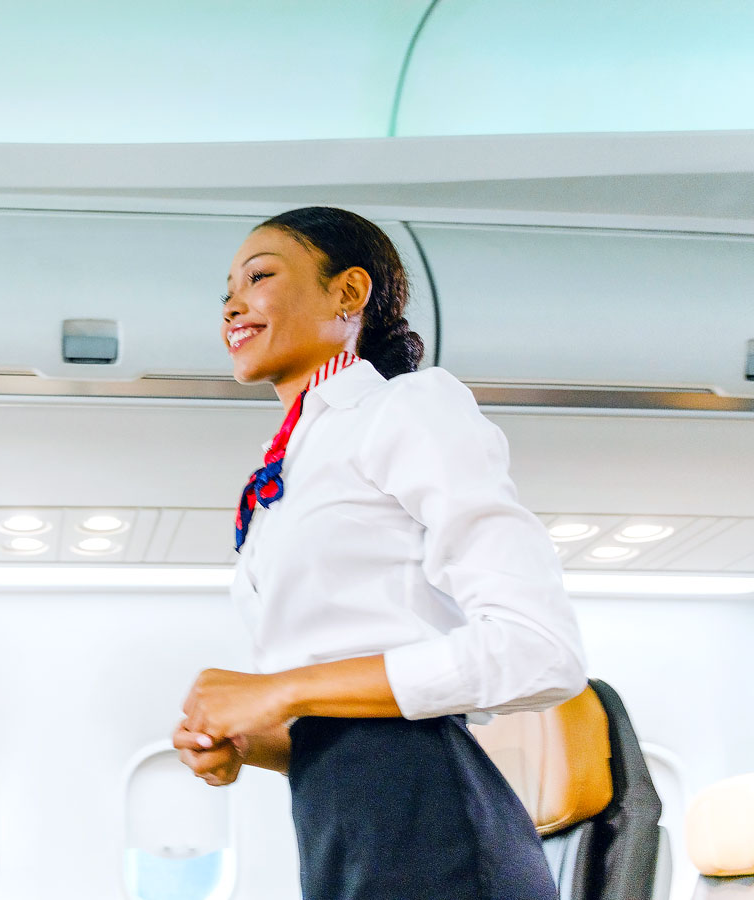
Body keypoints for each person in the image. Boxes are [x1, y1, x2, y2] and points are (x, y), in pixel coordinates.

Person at [173, 206, 587, 900]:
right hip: (343, 825)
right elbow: (347, 718)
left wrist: (278, 691)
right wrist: (255, 742)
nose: (233, 304)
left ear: (349, 293)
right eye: (225, 291)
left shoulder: (408, 409)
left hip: (434, 832)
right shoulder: (294, 468)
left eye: (260, 276)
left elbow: (540, 651)